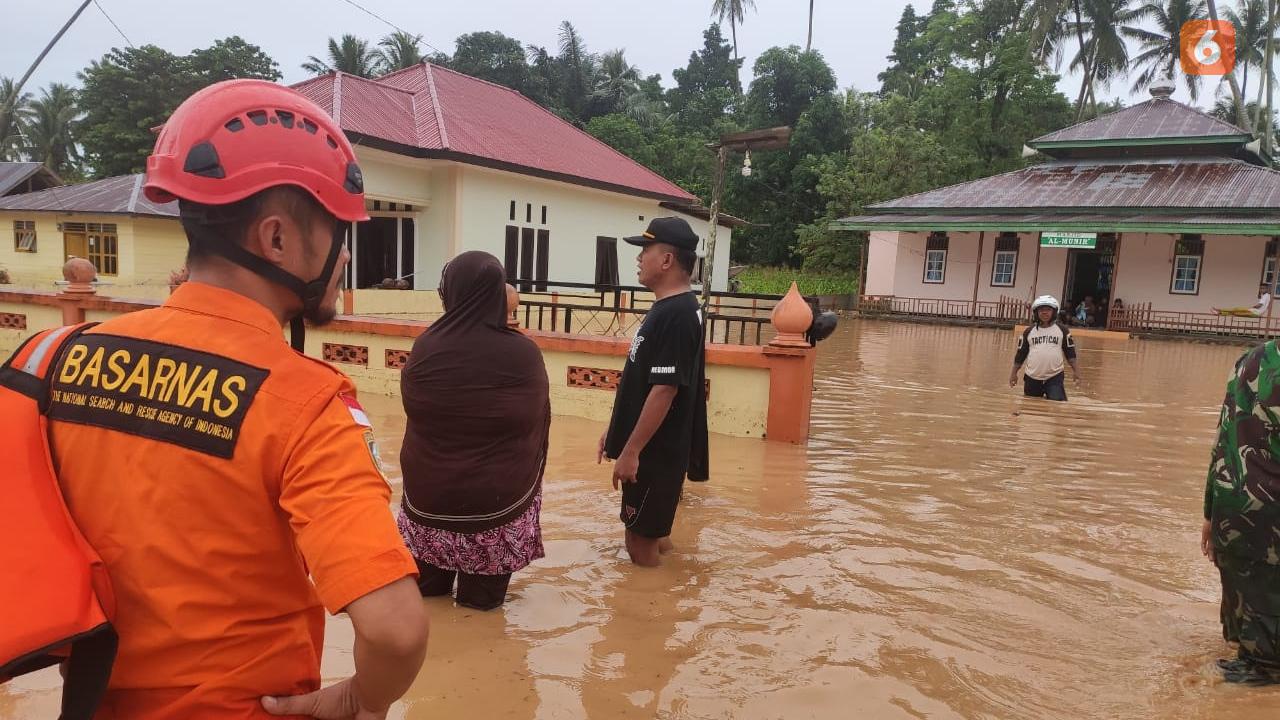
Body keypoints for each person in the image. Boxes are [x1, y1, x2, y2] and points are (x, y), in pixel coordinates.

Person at [32, 80, 428, 718]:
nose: (347, 251)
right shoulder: (307, 402)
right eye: (336, 227)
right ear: (276, 239)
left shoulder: (49, 361)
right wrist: (360, 697)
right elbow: (396, 630)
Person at [397, 251, 550, 611]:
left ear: (450, 292)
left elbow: (416, 411)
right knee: (480, 614)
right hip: (496, 511)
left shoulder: (426, 347)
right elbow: (534, 418)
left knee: (425, 603)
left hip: (428, 507)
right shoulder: (522, 354)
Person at [598, 217, 709, 567]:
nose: (638, 258)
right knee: (655, 533)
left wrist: (632, 451)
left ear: (667, 260)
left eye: (645, 250)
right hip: (654, 446)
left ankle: (646, 614)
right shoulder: (671, 308)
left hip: (655, 452)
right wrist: (615, 430)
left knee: (638, 540)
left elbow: (665, 390)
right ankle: (674, 588)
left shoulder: (676, 314)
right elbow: (644, 383)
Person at [1203, 339, 1280, 685]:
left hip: (1230, 504)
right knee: (1267, 667)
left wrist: (1209, 512)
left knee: (1242, 634)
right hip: (1270, 515)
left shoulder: (1247, 360)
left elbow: (1222, 435)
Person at [1010, 295, 1081, 402]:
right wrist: (1013, 374)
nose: (1044, 313)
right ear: (1036, 313)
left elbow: (1070, 354)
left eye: (1048, 310)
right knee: (1030, 406)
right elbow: (1020, 355)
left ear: (1054, 312)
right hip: (1032, 377)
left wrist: (1076, 372)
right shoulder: (1028, 332)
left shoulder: (1062, 330)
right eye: (1041, 310)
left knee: (1057, 405)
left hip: (1054, 376)